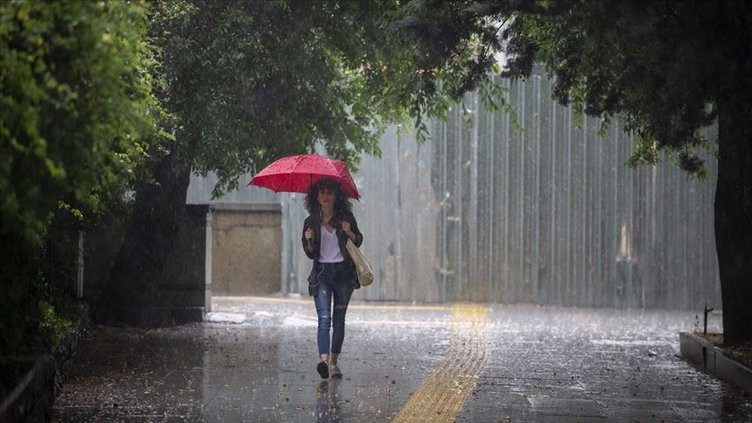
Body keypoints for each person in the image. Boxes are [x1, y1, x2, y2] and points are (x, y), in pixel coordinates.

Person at [302, 178, 363, 379]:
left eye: (330, 192)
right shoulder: (310, 222)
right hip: (322, 275)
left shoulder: (345, 217)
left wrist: (349, 231)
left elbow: (359, 240)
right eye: (322, 192)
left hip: (344, 274)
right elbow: (310, 253)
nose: (326, 195)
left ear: (336, 196)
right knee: (324, 318)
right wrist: (310, 240)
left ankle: (335, 362)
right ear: (316, 196)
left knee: (338, 320)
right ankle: (324, 361)